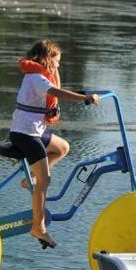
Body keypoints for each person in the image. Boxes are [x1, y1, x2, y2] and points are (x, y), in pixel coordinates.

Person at [10, 40, 98, 249]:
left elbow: (56, 86)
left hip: (34, 133)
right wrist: (85, 98)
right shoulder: (37, 78)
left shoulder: (41, 76)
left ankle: (29, 179)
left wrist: (55, 69)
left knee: (62, 148)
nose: (58, 66)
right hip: (25, 135)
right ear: (47, 60)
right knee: (45, 179)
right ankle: (37, 227)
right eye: (57, 62)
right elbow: (58, 93)